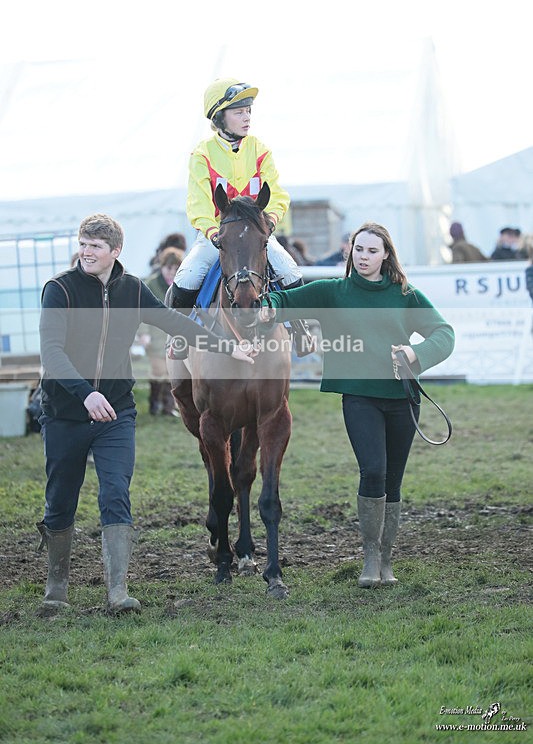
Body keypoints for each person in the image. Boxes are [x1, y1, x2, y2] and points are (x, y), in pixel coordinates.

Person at [37, 214, 255, 615]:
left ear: (115, 251)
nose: (86, 251)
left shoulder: (131, 289)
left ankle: (118, 592)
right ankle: (56, 590)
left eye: (95, 246)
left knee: (116, 494)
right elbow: (52, 352)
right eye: (83, 244)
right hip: (66, 412)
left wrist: (228, 347)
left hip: (117, 411)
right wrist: (85, 394)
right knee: (60, 500)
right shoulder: (60, 290)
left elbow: (175, 322)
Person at [259, 221, 454, 588]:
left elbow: (444, 334)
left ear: (385, 256)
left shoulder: (405, 294)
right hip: (360, 398)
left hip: (403, 399)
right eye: (358, 249)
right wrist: (267, 306)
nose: (363, 257)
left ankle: (386, 559)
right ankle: (369, 558)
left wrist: (416, 352)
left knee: (393, 482)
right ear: (349, 251)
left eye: (371, 251)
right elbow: (284, 300)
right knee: (374, 471)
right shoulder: (334, 292)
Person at [169, 78, 313, 356]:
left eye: (249, 111)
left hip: (258, 233)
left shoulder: (260, 150)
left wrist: (269, 221)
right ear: (219, 117)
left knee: (290, 270)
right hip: (218, 235)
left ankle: (301, 330)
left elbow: (279, 195)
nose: (247, 117)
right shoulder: (202, 155)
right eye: (239, 112)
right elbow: (198, 204)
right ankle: (178, 336)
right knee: (186, 277)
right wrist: (213, 233)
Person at [141, 247, 185, 416]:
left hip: (174, 335)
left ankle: (168, 407)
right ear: (162, 266)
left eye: (175, 269)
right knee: (158, 370)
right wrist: (143, 332)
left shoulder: (182, 284)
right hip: (155, 334)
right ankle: (154, 402)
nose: (171, 273)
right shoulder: (151, 284)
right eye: (169, 268)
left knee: (171, 371)